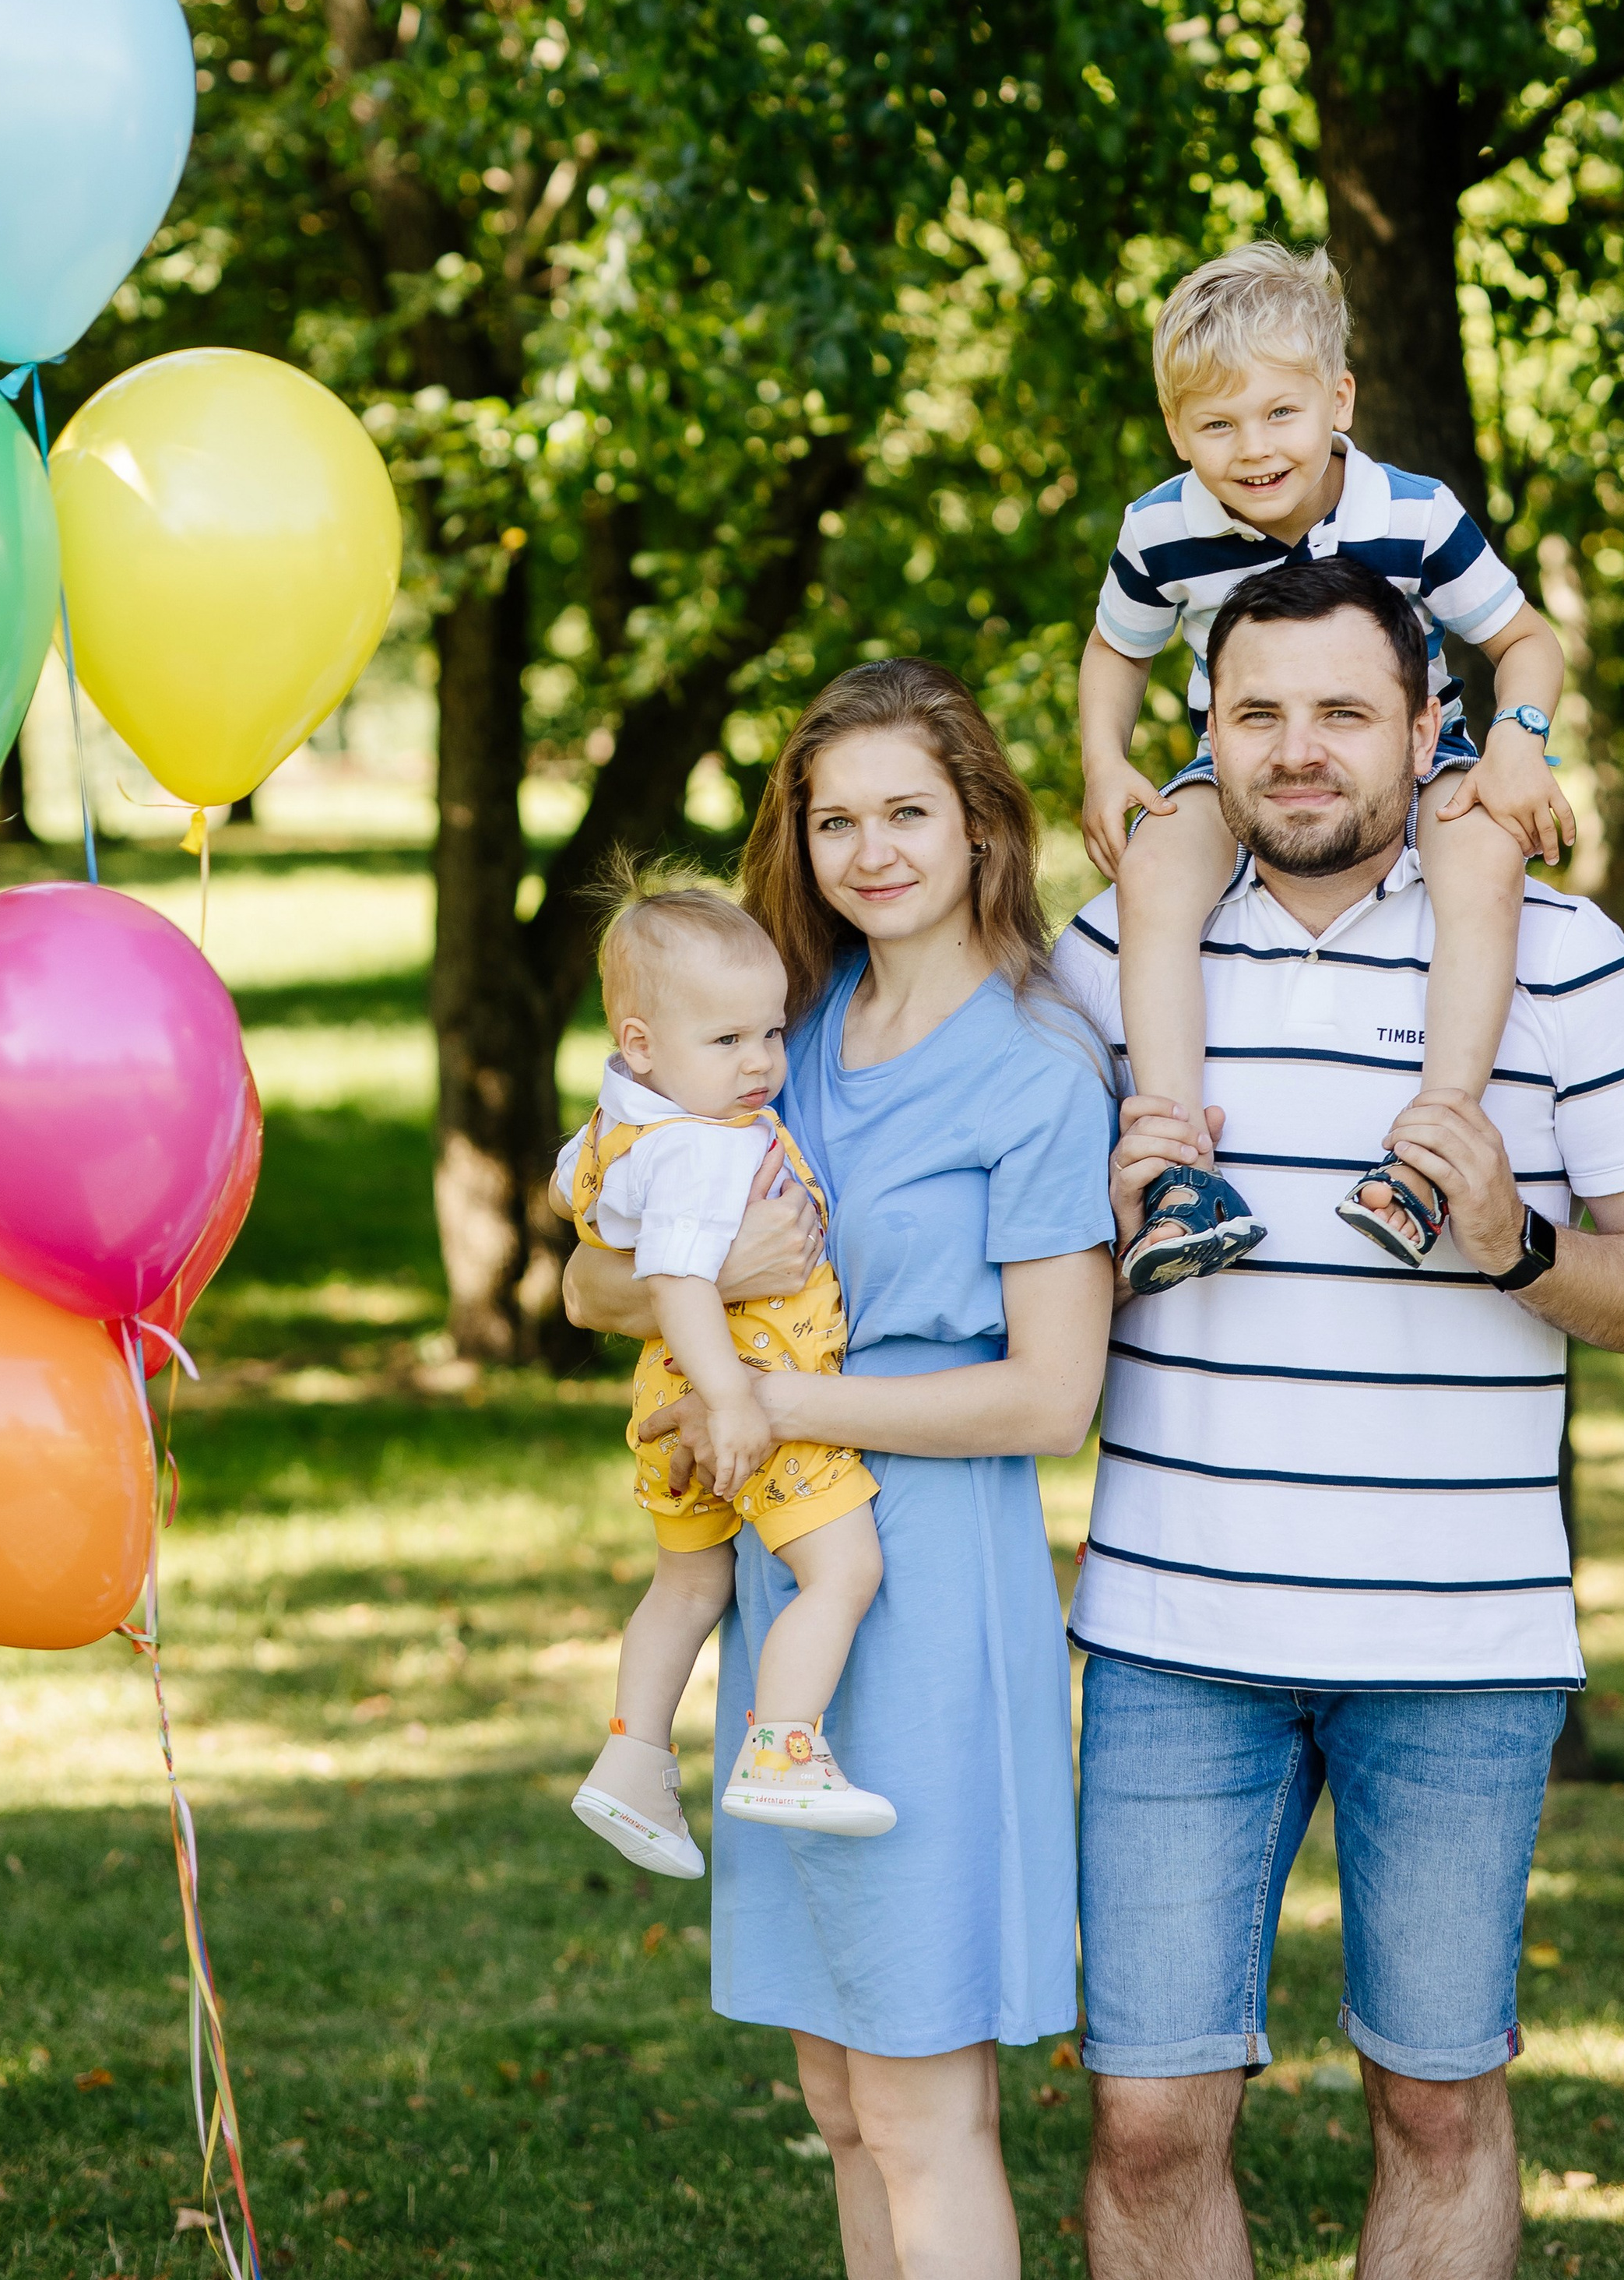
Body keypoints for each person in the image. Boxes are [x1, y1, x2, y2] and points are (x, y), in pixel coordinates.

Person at [1053, 554, 1624, 2280]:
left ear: (1428, 726)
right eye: (1255, 712)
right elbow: (976, 1246)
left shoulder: (1558, 955)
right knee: (1143, 2114)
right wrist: (1097, 1223)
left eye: (1342, 711)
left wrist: (1517, 1247)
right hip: (1167, 1627)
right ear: (1201, 729)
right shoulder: (1103, 956)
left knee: (1433, 2102)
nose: (1296, 750)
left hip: (1458, 1638)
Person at [563, 657, 1116, 2280]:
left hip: (927, 1592)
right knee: (836, 2085)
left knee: (920, 2090)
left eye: (906, 813)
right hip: (779, 1582)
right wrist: (707, 1306)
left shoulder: (1032, 1066)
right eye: (832, 819)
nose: (869, 850)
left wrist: (775, 1402)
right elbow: (597, 1274)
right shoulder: (776, 1036)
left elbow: (1048, 1395)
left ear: (979, 824)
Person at [1077, 238, 1575, 1289]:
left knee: (1483, 863)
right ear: (1178, 430)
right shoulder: (1161, 529)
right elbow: (1116, 650)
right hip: (1241, 758)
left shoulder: (1414, 512)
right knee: (1157, 873)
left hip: (1411, 753)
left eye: (1278, 414)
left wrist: (1522, 741)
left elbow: (1526, 639)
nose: (1252, 449)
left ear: (1338, 398)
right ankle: (1178, 1177)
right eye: (1216, 424)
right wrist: (1101, 761)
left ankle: (1427, 1157)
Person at [557, 860, 893, 1879]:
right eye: (727, 1039)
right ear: (642, 1044)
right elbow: (677, 1276)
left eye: (770, 1032)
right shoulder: (709, 1147)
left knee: (688, 1581)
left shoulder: (621, 1126)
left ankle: (632, 1757)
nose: (760, 1064)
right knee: (844, 1568)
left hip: (663, 1397)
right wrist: (735, 1399)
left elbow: (579, 1194)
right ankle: (785, 1744)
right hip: (741, 1386)